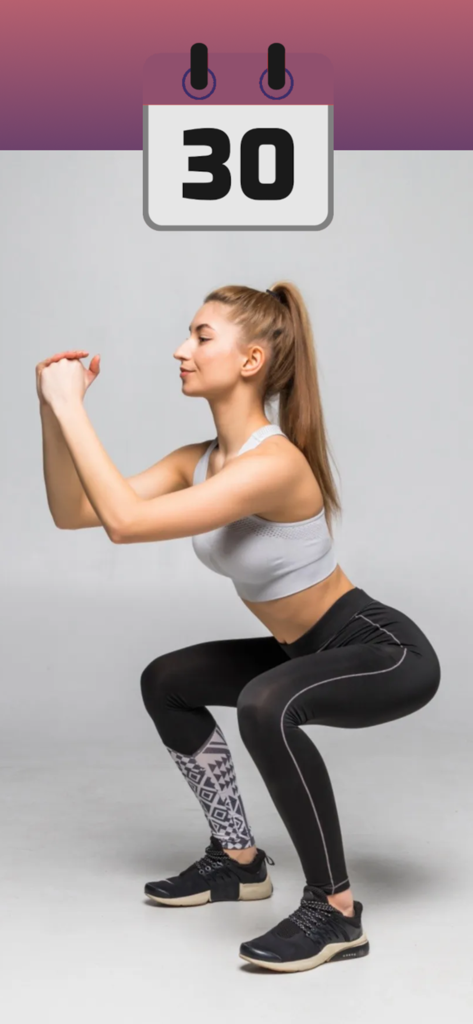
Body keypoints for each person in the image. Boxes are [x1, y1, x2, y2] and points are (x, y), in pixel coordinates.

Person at [37, 281, 441, 974]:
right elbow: (75, 512)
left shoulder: (273, 463)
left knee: (267, 702)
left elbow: (125, 526)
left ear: (250, 359)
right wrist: (53, 411)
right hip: (301, 648)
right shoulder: (197, 460)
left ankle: (335, 912)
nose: (180, 350)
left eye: (199, 336)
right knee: (167, 681)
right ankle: (237, 860)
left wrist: (75, 406)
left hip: (379, 649)